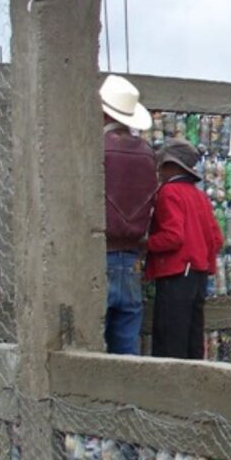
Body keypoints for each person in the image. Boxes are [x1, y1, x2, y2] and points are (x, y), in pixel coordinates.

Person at [146, 138, 223, 359]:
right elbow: (216, 239)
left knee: (170, 341)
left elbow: (173, 237)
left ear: (171, 166)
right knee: (193, 339)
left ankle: (170, 392)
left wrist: (145, 245)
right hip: (198, 275)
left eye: (161, 165)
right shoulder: (199, 196)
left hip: (176, 274)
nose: (158, 170)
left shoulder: (168, 192)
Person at [100, 74, 157, 355]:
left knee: (91, 348)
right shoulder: (147, 153)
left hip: (99, 254)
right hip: (132, 257)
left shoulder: (96, 149)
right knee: (127, 350)